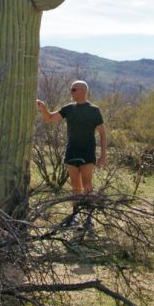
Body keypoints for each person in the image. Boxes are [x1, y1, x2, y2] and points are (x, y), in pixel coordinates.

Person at [36, 80, 107, 220]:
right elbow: (49, 118)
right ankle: (75, 214)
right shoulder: (69, 108)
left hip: (87, 152)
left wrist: (102, 156)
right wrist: (43, 107)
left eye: (73, 90)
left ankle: (88, 216)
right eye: (71, 89)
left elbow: (103, 134)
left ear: (82, 91)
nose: (71, 92)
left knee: (87, 185)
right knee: (75, 187)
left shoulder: (94, 110)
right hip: (71, 151)